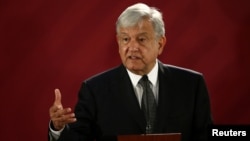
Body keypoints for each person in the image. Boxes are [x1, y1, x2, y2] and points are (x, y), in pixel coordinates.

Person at [48, 3, 213, 141]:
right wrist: (58, 129)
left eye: (141, 39)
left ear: (160, 44)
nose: (132, 47)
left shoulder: (191, 85)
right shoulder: (95, 90)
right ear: (118, 43)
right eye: (125, 39)